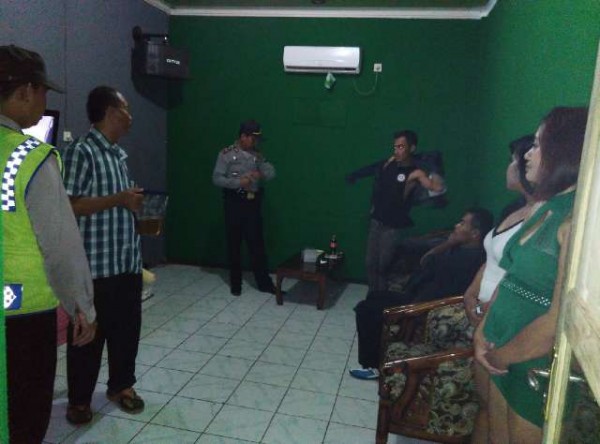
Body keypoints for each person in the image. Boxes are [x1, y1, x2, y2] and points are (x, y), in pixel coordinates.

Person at [474, 107, 588, 443]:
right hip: (499, 347)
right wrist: (483, 329)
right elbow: (509, 280)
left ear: (564, 152)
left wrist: (500, 355)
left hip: (530, 364)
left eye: (537, 145)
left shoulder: (575, 221)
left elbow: (558, 319)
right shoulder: (546, 207)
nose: (527, 154)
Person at [0, 44, 96, 443]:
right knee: (24, 418)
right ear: (25, 91)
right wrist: (82, 306)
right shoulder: (30, 157)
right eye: (42, 92)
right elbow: (60, 247)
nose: (44, 102)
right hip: (21, 315)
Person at [62, 86, 145, 424]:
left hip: (125, 263)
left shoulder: (117, 155)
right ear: (110, 112)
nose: (130, 117)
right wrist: (119, 199)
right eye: (126, 109)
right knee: (88, 336)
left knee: (126, 331)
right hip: (95, 267)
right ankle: (79, 400)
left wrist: (132, 204)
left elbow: (119, 202)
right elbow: (69, 205)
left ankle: (121, 386)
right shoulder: (81, 151)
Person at [350, 207, 492, 379]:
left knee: (366, 309)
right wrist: (448, 244)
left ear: (475, 233)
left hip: (425, 306)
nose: (457, 225)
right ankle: (375, 354)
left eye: (462, 223)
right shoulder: (460, 248)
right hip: (417, 296)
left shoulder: (470, 260)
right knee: (374, 296)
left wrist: (412, 306)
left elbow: (431, 268)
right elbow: (426, 261)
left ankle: (373, 366)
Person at [346, 130, 445, 292]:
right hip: (377, 221)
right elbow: (375, 169)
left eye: (401, 147)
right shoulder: (389, 162)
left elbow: (437, 188)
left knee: (384, 265)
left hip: (392, 226)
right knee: (370, 263)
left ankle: (382, 299)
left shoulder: (416, 172)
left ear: (411, 148)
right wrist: (355, 175)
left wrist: (434, 169)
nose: (397, 151)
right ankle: (373, 296)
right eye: (395, 147)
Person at [212, 120, 278, 296]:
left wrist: (260, 173)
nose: (255, 142)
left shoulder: (257, 155)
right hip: (234, 202)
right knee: (234, 244)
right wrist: (238, 182)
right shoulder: (226, 154)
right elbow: (217, 178)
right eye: (253, 139)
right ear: (243, 136)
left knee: (257, 244)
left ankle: (264, 283)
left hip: (252, 204)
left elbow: (272, 173)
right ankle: (236, 284)